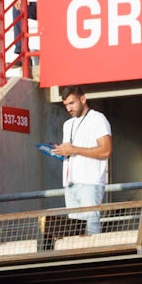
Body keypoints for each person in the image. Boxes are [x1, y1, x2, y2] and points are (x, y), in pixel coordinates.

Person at [47, 86, 111, 235]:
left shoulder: (97, 119)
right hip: (70, 184)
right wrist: (61, 152)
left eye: (72, 103)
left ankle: (94, 256)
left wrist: (74, 149)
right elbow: (71, 152)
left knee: (91, 228)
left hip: (90, 182)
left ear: (82, 99)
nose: (69, 108)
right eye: (66, 105)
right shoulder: (68, 124)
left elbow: (106, 150)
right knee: (75, 231)